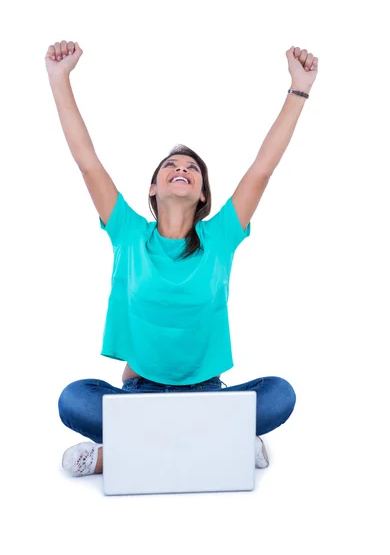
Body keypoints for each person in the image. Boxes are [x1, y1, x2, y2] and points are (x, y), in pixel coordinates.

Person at [45, 40, 318, 478]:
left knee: (279, 394)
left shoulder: (221, 236)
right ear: (153, 186)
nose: (182, 169)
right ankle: (223, 443)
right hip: (140, 394)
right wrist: (60, 79)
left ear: (203, 193)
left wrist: (298, 89)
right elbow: (87, 162)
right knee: (74, 399)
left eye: (192, 168)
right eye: (172, 165)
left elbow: (262, 168)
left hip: (206, 393)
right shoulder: (128, 233)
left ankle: (116, 455)